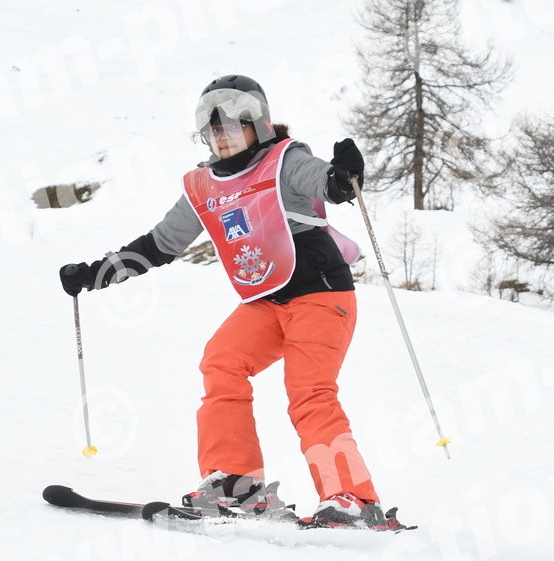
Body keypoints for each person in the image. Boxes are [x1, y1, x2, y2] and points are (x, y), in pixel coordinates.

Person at [58, 75, 405, 530]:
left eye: (233, 126)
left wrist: (343, 177)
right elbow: (161, 244)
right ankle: (236, 485)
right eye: (213, 129)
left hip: (321, 295)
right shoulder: (204, 185)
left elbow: (326, 184)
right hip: (267, 301)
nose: (222, 137)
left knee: (309, 392)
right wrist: (95, 273)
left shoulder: (285, 160)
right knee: (221, 362)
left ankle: (354, 501)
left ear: (258, 125)